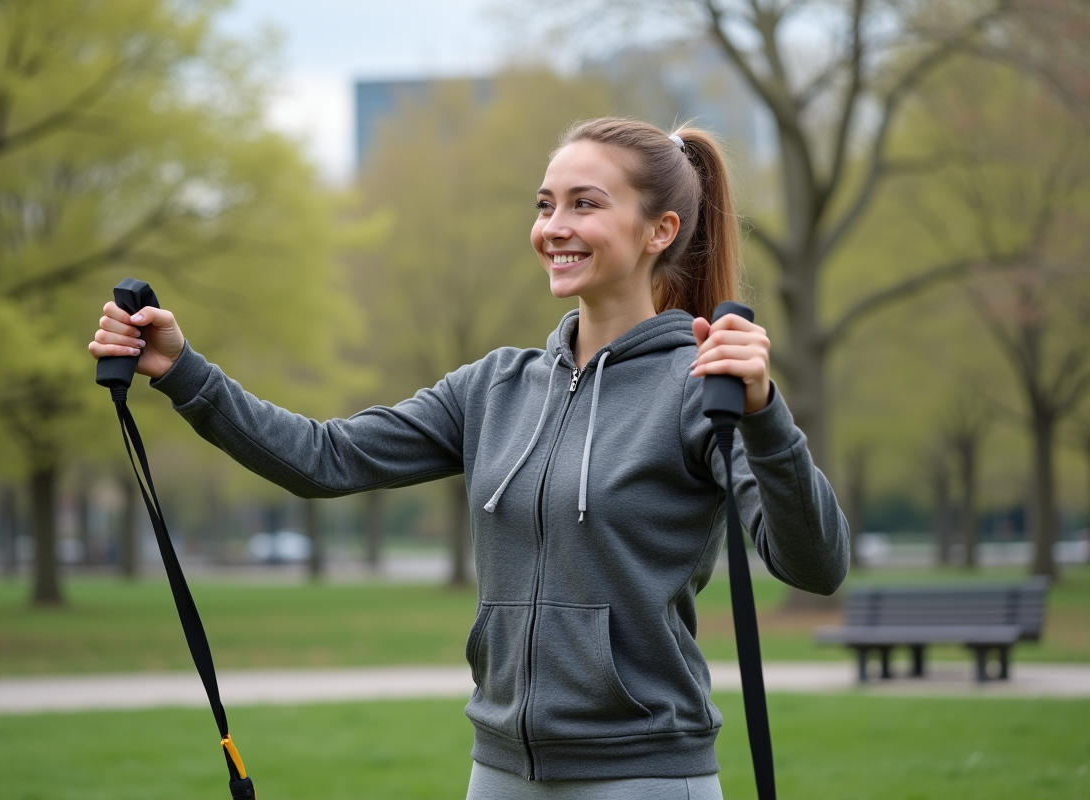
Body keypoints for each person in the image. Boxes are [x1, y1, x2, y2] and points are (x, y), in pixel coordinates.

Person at [89, 117, 849, 799]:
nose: (555, 225)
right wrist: (183, 369)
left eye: (586, 203)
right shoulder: (494, 386)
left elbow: (815, 564)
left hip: (643, 775)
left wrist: (762, 414)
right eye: (545, 204)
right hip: (499, 775)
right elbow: (323, 459)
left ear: (660, 231)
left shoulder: (700, 390)